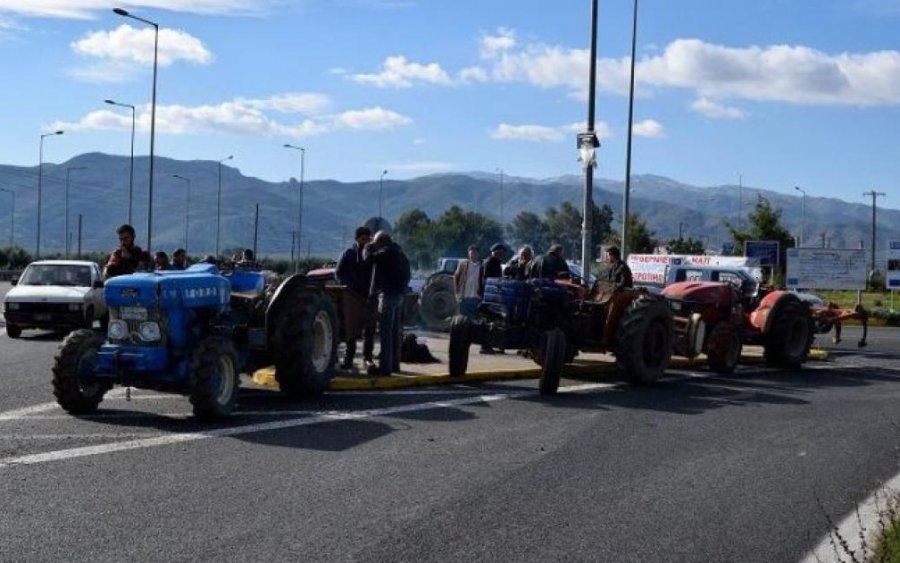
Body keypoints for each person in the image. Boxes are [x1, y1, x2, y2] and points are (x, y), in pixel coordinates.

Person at [363, 231, 411, 377]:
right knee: (396, 332)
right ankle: (395, 364)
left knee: (386, 332)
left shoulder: (386, 252)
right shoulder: (400, 253)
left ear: (381, 242)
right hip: (399, 296)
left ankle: (386, 367)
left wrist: (368, 247)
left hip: (388, 296)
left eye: (376, 242)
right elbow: (408, 275)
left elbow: (368, 259)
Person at [335, 226, 375, 370]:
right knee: (350, 330)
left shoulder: (373, 253)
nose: (366, 242)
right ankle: (348, 359)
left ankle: (367, 358)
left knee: (369, 329)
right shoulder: (349, 253)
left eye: (368, 239)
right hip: (352, 297)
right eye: (363, 239)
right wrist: (348, 285)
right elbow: (338, 272)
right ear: (357, 239)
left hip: (369, 296)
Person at [479, 243, 508, 354]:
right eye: (501, 253)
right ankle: (485, 346)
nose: (502, 256)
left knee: (488, 320)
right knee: (490, 321)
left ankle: (488, 345)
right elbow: (489, 279)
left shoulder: (486, 261)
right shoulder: (493, 262)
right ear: (497, 252)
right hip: (491, 296)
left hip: (486, 295)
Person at [453, 245, 483, 318]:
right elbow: (456, 277)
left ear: (478, 254)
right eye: (471, 254)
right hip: (464, 297)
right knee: (463, 319)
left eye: (474, 253)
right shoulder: (463, 265)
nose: (472, 255)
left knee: (476, 318)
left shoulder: (483, 265)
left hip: (477, 298)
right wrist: (456, 292)